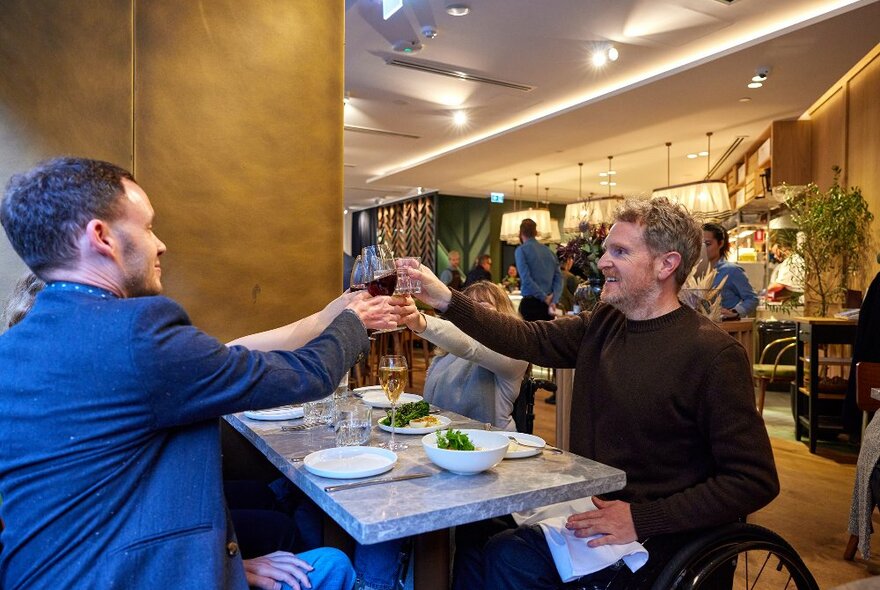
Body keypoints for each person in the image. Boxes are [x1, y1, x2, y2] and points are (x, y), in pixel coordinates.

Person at [0, 157, 397, 590]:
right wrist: (356, 321)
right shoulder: (137, 332)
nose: (161, 244)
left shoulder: (16, 347)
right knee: (333, 565)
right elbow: (308, 377)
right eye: (149, 227)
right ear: (102, 237)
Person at [399, 197, 779, 589]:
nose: (601, 262)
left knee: (508, 557)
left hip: (661, 539)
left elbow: (754, 480)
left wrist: (639, 519)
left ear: (667, 264)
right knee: (477, 534)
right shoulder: (605, 323)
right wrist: (445, 298)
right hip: (592, 508)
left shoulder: (712, 354)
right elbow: (527, 337)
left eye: (620, 251)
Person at [352, 281, 528, 590]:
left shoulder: (510, 358)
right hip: (438, 465)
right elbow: (428, 414)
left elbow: (471, 345)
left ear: (503, 317)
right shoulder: (442, 359)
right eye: (467, 312)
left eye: (483, 311)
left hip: (488, 475)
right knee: (377, 503)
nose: (474, 319)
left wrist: (418, 320)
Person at [702, 222, 759, 319]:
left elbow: (752, 299)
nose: (703, 248)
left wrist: (735, 312)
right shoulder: (694, 272)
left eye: (708, 244)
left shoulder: (732, 271)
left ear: (720, 243)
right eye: (700, 244)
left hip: (725, 327)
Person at [515, 218, 562, 321]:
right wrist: (553, 300)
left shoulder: (521, 250)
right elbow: (558, 279)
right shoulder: (550, 252)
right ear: (536, 232)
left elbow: (526, 279)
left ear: (520, 233)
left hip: (530, 304)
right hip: (548, 307)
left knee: (527, 336)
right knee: (546, 336)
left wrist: (544, 297)